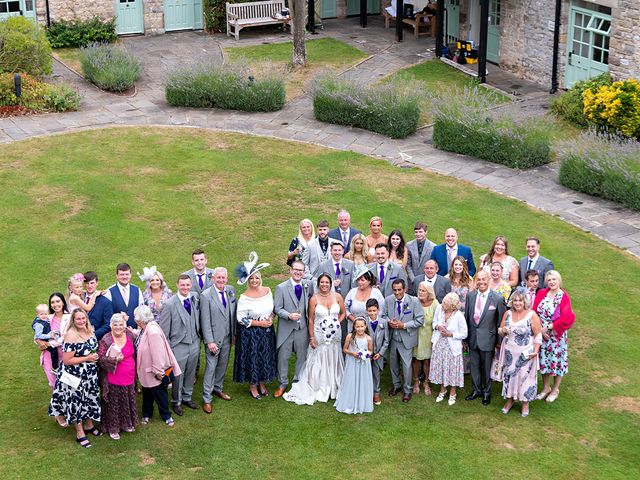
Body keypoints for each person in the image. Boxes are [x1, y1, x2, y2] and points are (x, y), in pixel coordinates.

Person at [283, 274, 346, 405]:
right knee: (319, 357)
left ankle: (334, 385)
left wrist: (335, 323)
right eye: (322, 282)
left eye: (327, 282)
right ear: (318, 284)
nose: (324, 285)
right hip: (319, 334)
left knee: (334, 355)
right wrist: (311, 337)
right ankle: (319, 385)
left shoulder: (338, 297)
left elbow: (343, 313)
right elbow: (310, 319)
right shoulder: (314, 299)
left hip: (335, 335)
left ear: (331, 284)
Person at [48, 309, 101, 448]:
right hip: (73, 375)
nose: (81, 321)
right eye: (78, 319)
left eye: (83, 318)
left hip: (89, 374)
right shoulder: (70, 335)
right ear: (73, 320)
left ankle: (89, 425)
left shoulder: (89, 330)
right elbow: (67, 360)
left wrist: (94, 357)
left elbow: (94, 347)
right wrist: (88, 358)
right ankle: (80, 433)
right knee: (76, 402)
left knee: (88, 398)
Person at [233, 253, 277, 399]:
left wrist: (271, 318)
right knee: (253, 358)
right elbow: (241, 318)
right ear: (247, 280)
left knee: (265, 357)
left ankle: (262, 383)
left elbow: (272, 308)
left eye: (256, 277)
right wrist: (260, 323)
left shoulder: (268, 291)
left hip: (267, 331)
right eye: (251, 278)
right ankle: (253, 385)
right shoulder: (244, 297)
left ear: (260, 278)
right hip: (250, 333)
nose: (254, 280)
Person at [159, 274, 201, 416]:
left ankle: (187, 397)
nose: (185, 287)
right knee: (178, 375)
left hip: (194, 342)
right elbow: (164, 332)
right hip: (178, 345)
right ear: (177, 285)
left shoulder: (194, 297)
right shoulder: (170, 304)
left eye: (188, 285)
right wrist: (170, 350)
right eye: (182, 285)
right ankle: (176, 401)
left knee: (191, 371)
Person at [497, 290, 542, 417]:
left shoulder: (531, 315)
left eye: (520, 300)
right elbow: (500, 331)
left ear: (524, 302)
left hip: (526, 353)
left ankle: (525, 404)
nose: (517, 303)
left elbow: (538, 335)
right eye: (515, 300)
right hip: (510, 353)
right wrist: (503, 330)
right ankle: (509, 400)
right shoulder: (508, 314)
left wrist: (536, 350)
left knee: (525, 378)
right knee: (510, 377)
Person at [464, 270, 506, 406]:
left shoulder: (497, 299)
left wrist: (499, 343)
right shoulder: (470, 296)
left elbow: (501, 322)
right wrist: (465, 338)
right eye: (479, 280)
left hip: (488, 339)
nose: (481, 282)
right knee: (474, 366)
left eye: (484, 279)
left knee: (486, 367)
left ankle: (487, 392)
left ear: (488, 280)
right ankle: (477, 390)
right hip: (473, 337)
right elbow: (467, 317)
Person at [134, 305, 181, 427]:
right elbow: (140, 336)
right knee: (147, 393)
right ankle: (146, 414)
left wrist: (158, 372)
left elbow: (158, 353)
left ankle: (166, 416)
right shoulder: (146, 328)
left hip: (154, 372)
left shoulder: (152, 332)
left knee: (160, 394)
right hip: (146, 370)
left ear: (139, 320)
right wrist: (130, 330)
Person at [533, 270, 575, 403]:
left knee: (556, 362)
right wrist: (540, 329)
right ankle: (546, 388)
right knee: (544, 361)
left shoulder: (563, 296)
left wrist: (550, 327)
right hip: (542, 334)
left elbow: (567, 317)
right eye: (549, 280)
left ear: (559, 281)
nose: (552, 282)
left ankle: (555, 389)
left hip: (556, 335)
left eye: (554, 279)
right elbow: (534, 311)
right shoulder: (541, 293)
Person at [200, 267, 236, 412]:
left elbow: (232, 314)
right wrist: (210, 341)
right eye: (218, 277)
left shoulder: (231, 290)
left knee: (223, 365)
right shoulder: (206, 295)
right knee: (211, 368)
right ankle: (207, 398)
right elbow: (205, 321)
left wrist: (233, 334)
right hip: (214, 340)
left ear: (227, 279)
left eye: (223, 278)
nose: (221, 280)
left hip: (227, 337)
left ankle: (218, 388)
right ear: (213, 278)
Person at [383, 279, 425, 403]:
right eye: (394, 290)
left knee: (406, 366)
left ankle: (407, 390)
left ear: (404, 289)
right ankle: (397, 385)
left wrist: (404, 325)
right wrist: (389, 322)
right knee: (393, 364)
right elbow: (383, 316)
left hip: (406, 338)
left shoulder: (414, 301)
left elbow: (419, 320)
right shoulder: (388, 300)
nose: (397, 293)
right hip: (392, 338)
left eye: (399, 290)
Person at [97, 313, 137, 439]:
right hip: (113, 377)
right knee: (114, 403)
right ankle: (113, 428)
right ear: (111, 326)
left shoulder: (130, 335)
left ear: (125, 325)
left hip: (129, 375)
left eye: (121, 324)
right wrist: (114, 360)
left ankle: (126, 424)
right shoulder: (106, 339)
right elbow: (101, 359)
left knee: (127, 399)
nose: (118, 327)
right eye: (115, 325)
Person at [274, 260, 311, 398]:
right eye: (296, 269)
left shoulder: (308, 285)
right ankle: (282, 383)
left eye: (301, 270)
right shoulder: (281, 287)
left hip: (302, 328)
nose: (298, 272)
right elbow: (277, 308)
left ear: (304, 272)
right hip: (287, 328)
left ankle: (298, 382)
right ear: (291, 270)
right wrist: (288, 315)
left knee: (302, 356)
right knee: (283, 357)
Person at [429, 292, 468, 406]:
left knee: (452, 370)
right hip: (439, 344)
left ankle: (453, 393)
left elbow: (464, 333)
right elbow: (434, 322)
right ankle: (442, 390)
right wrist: (438, 326)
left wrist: (451, 334)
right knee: (441, 368)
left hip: (452, 348)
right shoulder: (439, 309)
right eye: (443, 301)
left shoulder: (459, 315)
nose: (442, 304)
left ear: (452, 306)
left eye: (445, 303)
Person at [334, 317, 374, 414]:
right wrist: (353, 354)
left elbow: (370, 350)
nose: (360, 329)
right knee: (352, 380)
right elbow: (345, 349)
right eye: (358, 326)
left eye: (362, 326)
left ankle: (362, 403)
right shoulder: (350, 336)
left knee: (362, 381)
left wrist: (366, 354)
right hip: (352, 362)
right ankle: (350, 402)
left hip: (364, 364)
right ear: (354, 327)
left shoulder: (368, 338)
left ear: (365, 327)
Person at [38, 292, 70, 390]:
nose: (55, 304)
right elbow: (38, 333)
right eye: (52, 302)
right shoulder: (47, 318)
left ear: (63, 302)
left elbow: (66, 337)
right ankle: (55, 405)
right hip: (50, 357)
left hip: (67, 357)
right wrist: (39, 342)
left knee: (67, 386)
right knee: (54, 385)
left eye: (57, 301)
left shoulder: (70, 317)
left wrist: (49, 343)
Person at [412, 283, 439, 396]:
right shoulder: (414, 301)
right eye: (419, 290)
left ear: (429, 292)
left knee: (427, 360)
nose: (420, 292)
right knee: (416, 360)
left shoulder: (435, 303)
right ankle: (416, 381)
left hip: (429, 335)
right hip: (416, 334)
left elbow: (438, 320)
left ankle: (427, 382)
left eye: (423, 291)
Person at [344, 268, 385, 332]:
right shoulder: (352, 292)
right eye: (358, 280)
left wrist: (370, 322)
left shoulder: (376, 292)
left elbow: (381, 310)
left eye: (362, 280)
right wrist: (355, 320)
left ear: (369, 281)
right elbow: (345, 308)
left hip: (371, 328)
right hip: (354, 327)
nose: (359, 282)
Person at [104, 263, 144, 328]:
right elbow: (107, 315)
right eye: (122, 274)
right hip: (117, 331)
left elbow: (141, 310)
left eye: (127, 274)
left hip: (135, 331)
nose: (125, 277)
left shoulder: (137, 289)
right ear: (117, 276)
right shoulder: (109, 292)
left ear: (130, 275)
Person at [365, 299, 389, 406]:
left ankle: (376, 393)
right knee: (366, 374)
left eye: (374, 310)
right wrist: (366, 353)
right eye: (370, 311)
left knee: (376, 374)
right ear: (367, 311)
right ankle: (366, 393)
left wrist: (380, 353)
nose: (372, 313)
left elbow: (386, 340)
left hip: (378, 354)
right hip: (367, 355)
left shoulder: (383, 322)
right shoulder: (364, 322)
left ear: (378, 310)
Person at [83, 271, 113, 341]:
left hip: (96, 340)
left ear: (97, 283)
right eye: (87, 283)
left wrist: (93, 335)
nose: (89, 286)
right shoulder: (79, 298)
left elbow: (108, 325)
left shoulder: (106, 302)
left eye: (92, 283)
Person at [406, 221, 436, 289]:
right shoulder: (409, 245)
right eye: (416, 232)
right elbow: (408, 264)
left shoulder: (433, 247)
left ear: (426, 232)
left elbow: (433, 265)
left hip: (427, 282)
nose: (418, 234)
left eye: (420, 232)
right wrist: (413, 279)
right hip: (412, 281)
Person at [32, 304, 60, 374]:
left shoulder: (44, 319)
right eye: (41, 314)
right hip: (44, 340)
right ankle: (55, 368)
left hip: (47, 337)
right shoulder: (39, 324)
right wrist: (49, 336)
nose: (44, 316)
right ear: (37, 314)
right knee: (54, 351)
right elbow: (38, 335)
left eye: (46, 314)